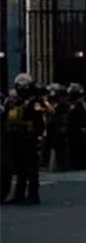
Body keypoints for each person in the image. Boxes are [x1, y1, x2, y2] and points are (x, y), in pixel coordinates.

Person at [3, 74, 45, 204]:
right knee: (20, 168)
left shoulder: (34, 102)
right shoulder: (13, 102)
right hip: (16, 139)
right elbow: (6, 118)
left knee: (31, 168)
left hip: (28, 139)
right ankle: (19, 194)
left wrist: (37, 137)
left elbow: (38, 122)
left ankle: (33, 195)